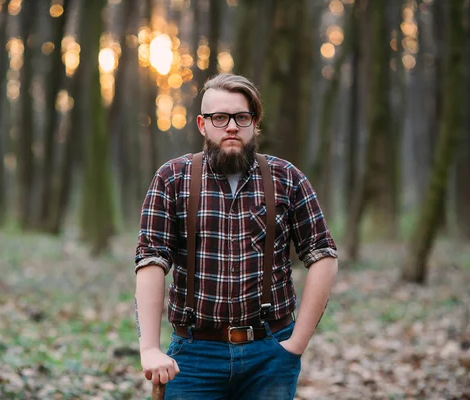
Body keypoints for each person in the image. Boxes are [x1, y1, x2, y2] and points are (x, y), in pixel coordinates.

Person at [134, 73, 338, 399]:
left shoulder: (287, 178)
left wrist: (295, 345)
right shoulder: (172, 178)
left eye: (241, 117)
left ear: (254, 124)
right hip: (193, 355)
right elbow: (151, 261)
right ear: (202, 124)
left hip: (269, 354)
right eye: (220, 117)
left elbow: (323, 254)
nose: (231, 126)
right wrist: (150, 348)